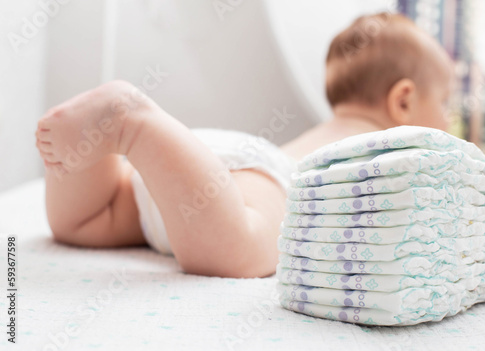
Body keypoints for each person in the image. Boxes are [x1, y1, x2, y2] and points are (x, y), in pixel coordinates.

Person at [35, 12, 453, 278]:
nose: (449, 116)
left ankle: (96, 150)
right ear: (403, 100)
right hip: (262, 177)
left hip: (193, 164)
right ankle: (134, 124)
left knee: (87, 223)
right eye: (446, 102)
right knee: (242, 250)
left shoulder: (331, 128)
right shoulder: (398, 146)